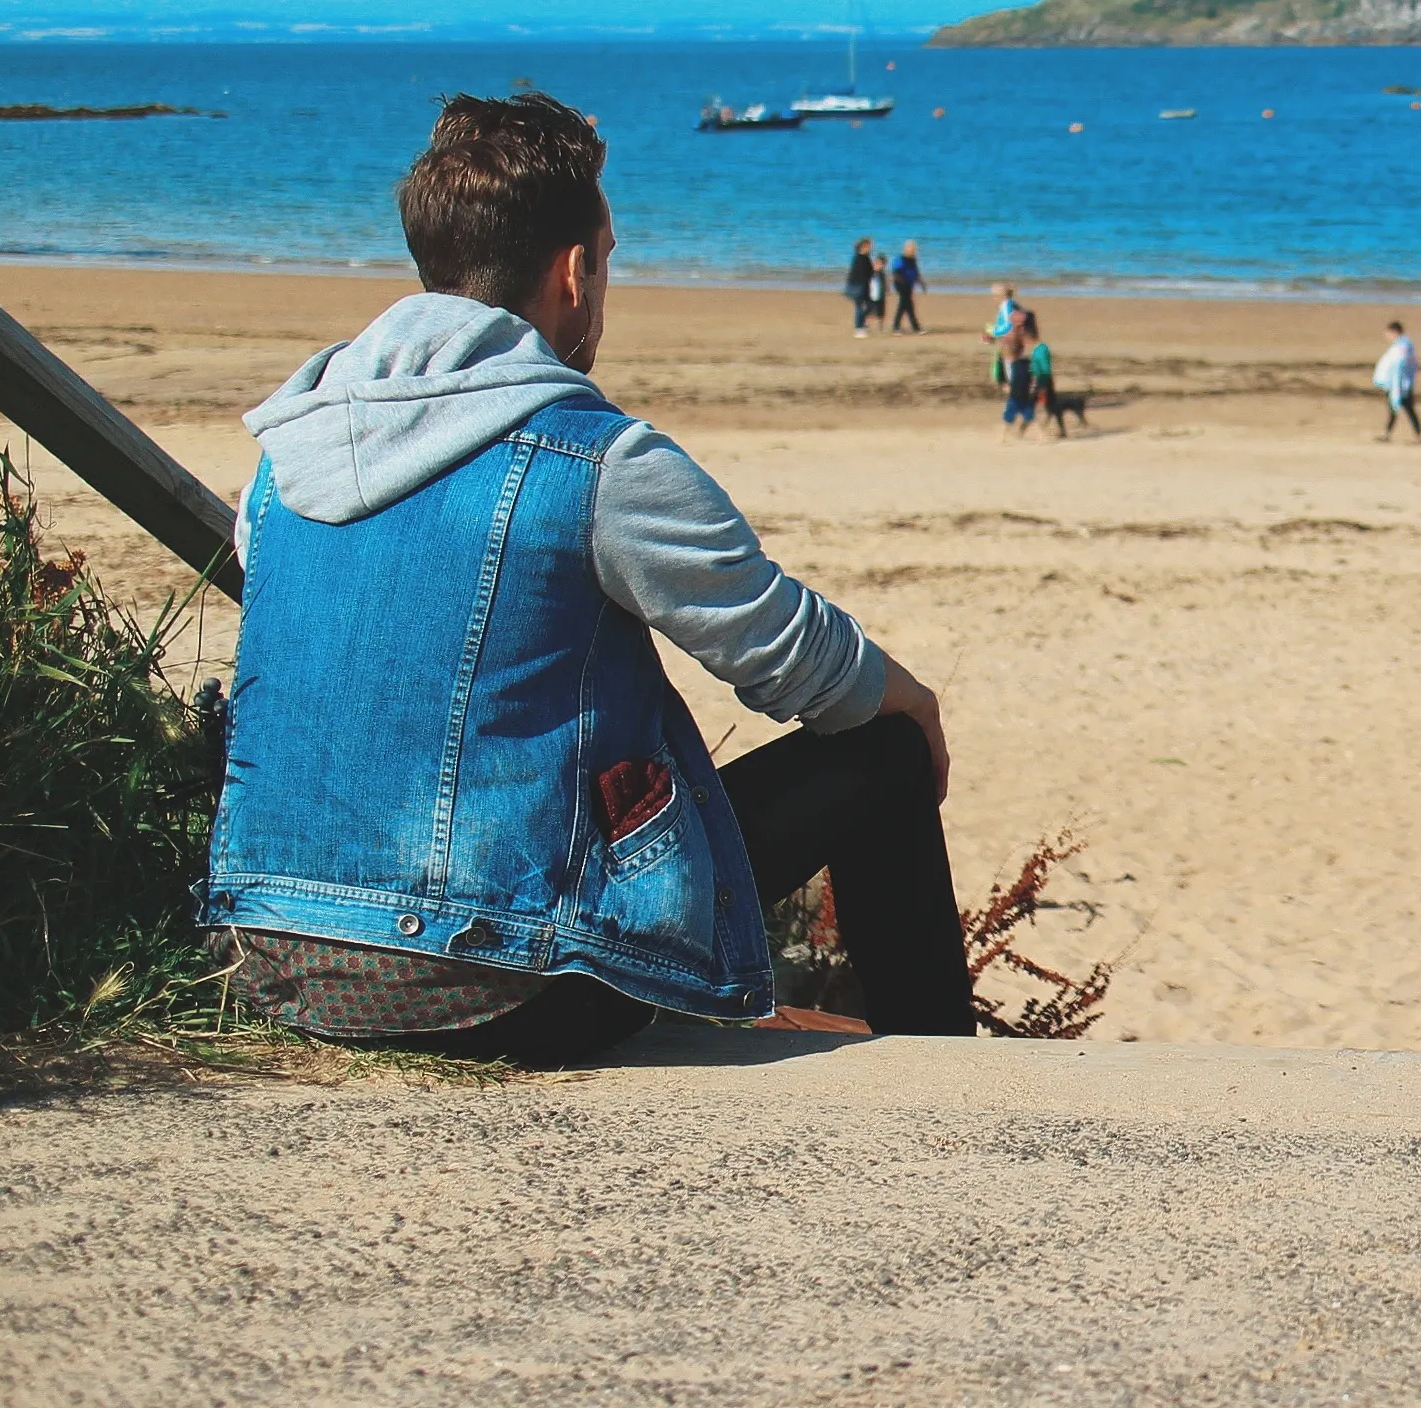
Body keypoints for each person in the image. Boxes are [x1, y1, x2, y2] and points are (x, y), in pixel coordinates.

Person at [203, 94, 972, 1065]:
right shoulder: (598, 463)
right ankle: (954, 1066)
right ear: (574, 271)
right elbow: (792, 658)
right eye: (605, 264)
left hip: (271, 956)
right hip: (501, 983)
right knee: (886, 747)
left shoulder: (279, 461)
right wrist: (917, 702)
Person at [1374, 319, 1421, 440]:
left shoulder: (1403, 345)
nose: (1387, 336)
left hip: (1401, 383)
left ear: (1395, 332)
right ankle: (1387, 434)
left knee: (1408, 409)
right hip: (1397, 382)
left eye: (1389, 333)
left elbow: (1401, 364)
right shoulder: (1401, 345)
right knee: (1396, 409)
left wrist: (1397, 380)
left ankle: (1419, 435)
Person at [1026, 311, 1070, 439]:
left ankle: (1024, 431)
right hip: (1041, 379)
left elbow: (1045, 369)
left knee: (1040, 406)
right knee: (1051, 406)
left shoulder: (1042, 349)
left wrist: (1042, 385)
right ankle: (1061, 430)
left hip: (1043, 380)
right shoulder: (1038, 349)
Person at [1000, 311, 1039, 435]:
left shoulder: (1018, 364)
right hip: (1020, 393)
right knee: (1028, 415)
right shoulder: (1022, 363)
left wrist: (1009, 388)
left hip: (1016, 394)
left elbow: (1019, 379)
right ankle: (1040, 436)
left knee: (1010, 415)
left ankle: (1002, 437)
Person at [889, 240, 927, 334]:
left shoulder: (913, 260)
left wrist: (921, 283)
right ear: (906, 249)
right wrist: (902, 283)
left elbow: (916, 272)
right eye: (910, 249)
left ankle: (915, 327)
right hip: (901, 285)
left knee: (909, 306)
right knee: (904, 304)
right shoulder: (900, 259)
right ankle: (897, 327)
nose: (912, 251)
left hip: (909, 284)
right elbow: (895, 273)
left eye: (913, 250)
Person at [844, 235, 878, 335]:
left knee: (869, 306)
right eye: (869, 245)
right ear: (864, 246)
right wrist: (874, 270)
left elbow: (870, 273)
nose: (871, 247)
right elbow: (864, 273)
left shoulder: (865, 257)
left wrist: (874, 270)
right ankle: (859, 329)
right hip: (858, 286)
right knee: (860, 307)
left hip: (863, 286)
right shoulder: (859, 258)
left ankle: (862, 327)